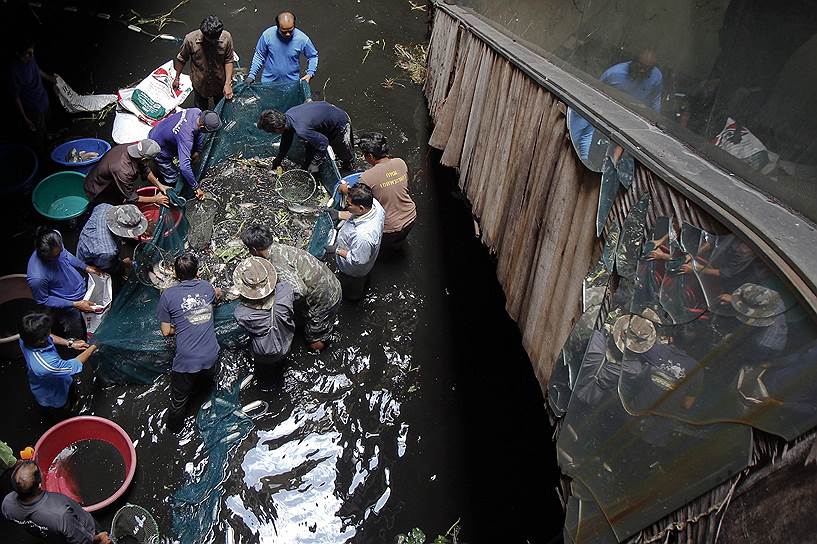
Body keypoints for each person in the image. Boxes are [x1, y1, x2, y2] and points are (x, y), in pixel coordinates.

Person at [240, 225, 341, 351]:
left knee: (314, 336)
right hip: (328, 281)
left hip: (325, 298)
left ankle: (318, 350)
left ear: (254, 250)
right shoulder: (276, 247)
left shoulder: (277, 263)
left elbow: (299, 291)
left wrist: (273, 300)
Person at [157, 253, 221, 432]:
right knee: (204, 384)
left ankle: (173, 432)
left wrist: (184, 324)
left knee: (178, 402)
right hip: (212, 355)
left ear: (176, 276)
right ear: (198, 272)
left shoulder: (168, 295)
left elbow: (165, 331)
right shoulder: (207, 287)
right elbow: (217, 296)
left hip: (186, 362)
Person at [570, 50, 663, 160]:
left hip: (633, 120)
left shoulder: (656, 77)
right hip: (607, 112)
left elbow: (655, 101)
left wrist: (654, 122)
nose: (643, 70)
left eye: (648, 68)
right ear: (633, 62)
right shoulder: (614, 73)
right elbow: (594, 95)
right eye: (640, 66)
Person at [1, 461, 111, 544]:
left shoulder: (7, 504)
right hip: (85, 529)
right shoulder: (60, 514)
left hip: (50, 535)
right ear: (39, 485)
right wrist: (98, 538)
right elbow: (82, 540)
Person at [343, 132, 416, 253]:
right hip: (410, 216)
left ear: (370, 156)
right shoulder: (400, 163)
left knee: (381, 250)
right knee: (397, 244)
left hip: (388, 227)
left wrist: (346, 190)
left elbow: (360, 202)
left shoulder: (367, 177)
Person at [27, 228, 102, 341]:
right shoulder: (37, 277)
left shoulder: (55, 238)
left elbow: (66, 255)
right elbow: (43, 300)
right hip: (68, 303)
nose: (60, 254)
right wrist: (75, 304)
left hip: (78, 286)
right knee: (74, 328)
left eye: (60, 250)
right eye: (56, 255)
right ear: (46, 256)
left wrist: (85, 267)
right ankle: (75, 343)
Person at [18, 312, 97, 412]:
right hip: (52, 393)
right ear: (41, 340)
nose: (50, 333)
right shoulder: (46, 364)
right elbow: (73, 365)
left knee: (70, 387)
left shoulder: (25, 337)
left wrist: (70, 343)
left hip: (52, 377)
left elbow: (49, 336)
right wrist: (94, 346)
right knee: (63, 407)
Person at [257, 102, 355, 174]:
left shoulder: (301, 130)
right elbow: (286, 138)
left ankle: (350, 168)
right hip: (323, 118)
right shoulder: (288, 115)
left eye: (273, 132)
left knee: (344, 153)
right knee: (311, 146)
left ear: (278, 128)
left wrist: (314, 164)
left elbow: (323, 143)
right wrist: (279, 159)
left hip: (340, 121)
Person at [233, 256, 295, 365]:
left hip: (264, 352)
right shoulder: (286, 290)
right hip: (287, 339)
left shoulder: (241, 313)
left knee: (265, 369)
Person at [148, 108, 222, 200]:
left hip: (162, 130)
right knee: (171, 174)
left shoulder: (196, 112)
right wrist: (196, 188)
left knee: (185, 150)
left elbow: (199, 132)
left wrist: (198, 151)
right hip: (157, 144)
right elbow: (184, 166)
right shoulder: (186, 137)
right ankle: (171, 188)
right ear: (203, 127)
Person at [327, 184, 385, 301]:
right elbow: (356, 213)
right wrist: (339, 214)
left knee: (352, 289)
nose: (346, 206)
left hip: (354, 270)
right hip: (364, 253)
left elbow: (358, 260)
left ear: (361, 208)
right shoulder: (374, 205)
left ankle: (353, 299)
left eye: (349, 205)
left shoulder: (363, 236)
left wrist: (336, 250)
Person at [173, 15, 235, 110]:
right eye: (211, 39)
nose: (214, 42)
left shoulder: (226, 37)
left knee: (221, 109)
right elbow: (182, 58)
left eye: (216, 39)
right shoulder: (190, 40)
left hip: (219, 82)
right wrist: (177, 77)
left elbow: (229, 59)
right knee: (200, 110)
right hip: (200, 84)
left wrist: (227, 83)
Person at [84, 139, 170, 206]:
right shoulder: (124, 171)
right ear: (144, 159)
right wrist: (155, 199)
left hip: (108, 175)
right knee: (111, 206)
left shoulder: (133, 148)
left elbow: (145, 169)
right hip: (98, 188)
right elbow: (131, 197)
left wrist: (160, 185)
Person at [246, 11, 318, 84]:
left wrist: (310, 73)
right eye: (284, 31)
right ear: (277, 26)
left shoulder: (302, 39)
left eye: (290, 30)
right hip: (268, 83)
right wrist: (252, 75)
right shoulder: (267, 35)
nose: (287, 34)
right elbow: (259, 55)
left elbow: (313, 56)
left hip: (291, 84)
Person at [76, 204, 148, 274]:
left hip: (85, 237)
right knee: (108, 268)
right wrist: (123, 264)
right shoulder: (108, 251)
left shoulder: (105, 207)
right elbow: (104, 266)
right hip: (89, 255)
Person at [9, 39, 54, 151]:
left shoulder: (30, 58)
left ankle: (49, 139)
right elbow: (16, 97)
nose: (31, 56)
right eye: (27, 54)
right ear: (18, 53)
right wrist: (25, 118)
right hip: (33, 107)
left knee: (47, 123)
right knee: (38, 134)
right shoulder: (14, 71)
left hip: (43, 98)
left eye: (32, 52)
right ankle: (42, 156)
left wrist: (49, 78)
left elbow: (36, 69)